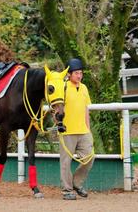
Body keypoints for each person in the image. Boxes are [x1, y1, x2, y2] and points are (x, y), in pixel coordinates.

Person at [59, 57, 94, 200]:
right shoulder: (63, 88)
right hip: (67, 131)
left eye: (81, 73)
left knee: (89, 157)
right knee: (66, 162)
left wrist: (89, 129)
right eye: (76, 73)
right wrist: (58, 124)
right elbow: (56, 109)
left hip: (83, 130)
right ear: (69, 74)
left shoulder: (84, 87)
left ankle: (77, 183)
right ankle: (67, 190)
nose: (79, 76)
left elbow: (86, 109)